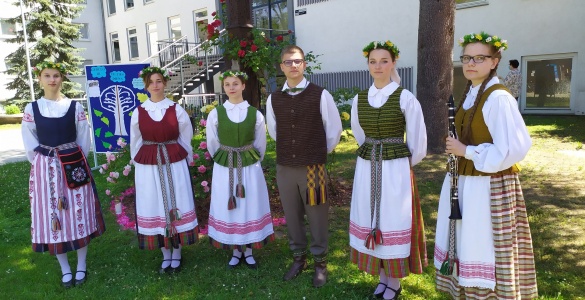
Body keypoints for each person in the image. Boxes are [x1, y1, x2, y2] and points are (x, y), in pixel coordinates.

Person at [435, 32, 538, 299]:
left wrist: (465, 150)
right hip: (467, 181)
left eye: (479, 58)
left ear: (494, 61)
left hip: (489, 185)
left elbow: (513, 148)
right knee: (467, 243)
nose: (471, 63)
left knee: (483, 245)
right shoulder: (470, 92)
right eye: (467, 57)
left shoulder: (498, 98)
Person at [348, 40, 428, 300]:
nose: (378, 66)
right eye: (373, 61)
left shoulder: (405, 97)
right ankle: (382, 277)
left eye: (384, 61)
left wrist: (400, 168)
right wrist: (375, 154)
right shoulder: (360, 99)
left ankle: (393, 280)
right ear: (367, 64)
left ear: (393, 62)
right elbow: (360, 135)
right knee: (371, 217)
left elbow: (418, 143)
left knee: (393, 219)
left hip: (395, 170)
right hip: (368, 165)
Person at [21, 61, 106, 288]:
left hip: (73, 164)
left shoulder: (74, 107)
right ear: (40, 79)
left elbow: (83, 138)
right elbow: (30, 143)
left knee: (79, 213)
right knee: (54, 217)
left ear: (62, 78)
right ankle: (65, 269)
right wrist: (45, 163)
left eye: (56, 75)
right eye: (47, 75)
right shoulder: (32, 109)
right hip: (45, 168)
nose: (52, 80)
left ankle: (81, 265)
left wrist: (73, 159)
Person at [266, 45, 342, 287]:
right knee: (292, 214)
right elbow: (274, 131)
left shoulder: (320, 95)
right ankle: (299, 258)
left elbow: (334, 131)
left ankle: (320, 262)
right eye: (288, 62)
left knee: (317, 214)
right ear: (282, 67)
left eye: (297, 61)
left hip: (312, 167)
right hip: (285, 166)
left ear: (304, 64)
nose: (293, 66)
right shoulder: (274, 98)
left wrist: (315, 152)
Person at [130, 66, 199, 274]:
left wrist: (183, 155)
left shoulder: (175, 109)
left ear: (165, 84)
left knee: (175, 200)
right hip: (149, 164)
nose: (155, 85)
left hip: (173, 161)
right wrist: (137, 162)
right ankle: (164, 253)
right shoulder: (139, 111)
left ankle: (176, 251)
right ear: (146, 86)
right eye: (151, 82)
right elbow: (135, 140)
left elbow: (186, 135)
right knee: (154, 203)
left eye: (159, 81)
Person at [206, 70, 275, 269]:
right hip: (224, 165)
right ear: (224, 88)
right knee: (231, 204)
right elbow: (212, 142)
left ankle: (250, 249)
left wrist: (252, 159)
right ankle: (236, 250)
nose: (231, 88)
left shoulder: (255, 113)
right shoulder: (216, 113)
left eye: (235, 83)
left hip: (249, 166)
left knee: (249, 203)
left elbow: (260, 143)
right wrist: (224, 156)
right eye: (227, 84)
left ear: (243, 86)